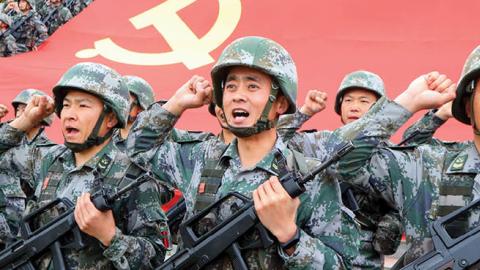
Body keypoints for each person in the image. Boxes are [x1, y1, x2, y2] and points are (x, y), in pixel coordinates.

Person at [126, 36, 370, 269]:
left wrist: (290, 237)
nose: (238, 96)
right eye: (230, 87)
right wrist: (176, 104)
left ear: (280, 104)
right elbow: (137, 148)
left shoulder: (309, 177)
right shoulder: (200, 158)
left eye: (252, 86)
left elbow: (342, 264)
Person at [0, 62, 169, 268]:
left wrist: (111, 237)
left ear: (110, 118)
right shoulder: (47, 159)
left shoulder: (132, 177)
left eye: (83, 105)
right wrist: (24, 121)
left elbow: (156, 258)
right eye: (67, 105)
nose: (70, 114)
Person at [278, 71, 403, 269]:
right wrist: (305, 111)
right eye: (348, 100)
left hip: (363, 260)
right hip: (318, 256)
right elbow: (275, 137)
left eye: (364, 101)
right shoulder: (324, 143)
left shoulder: (393, 155)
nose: (354, 106)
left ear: (380, 108)